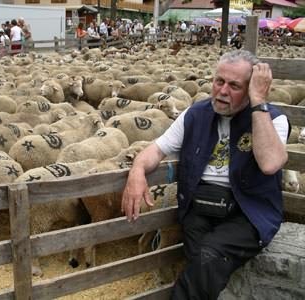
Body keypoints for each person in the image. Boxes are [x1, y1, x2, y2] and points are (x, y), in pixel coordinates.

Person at [121, 50, 289, 300]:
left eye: (234, 85)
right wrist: (136, 171)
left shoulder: (272, 119)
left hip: (248, 212)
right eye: (219, 81)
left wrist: (258, 103)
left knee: (209, 255)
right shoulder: (195, 114)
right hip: (199, 207)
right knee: (203, 264)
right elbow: (156, 149)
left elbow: (270, 163)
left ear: (252, 87)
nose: (222, 91)